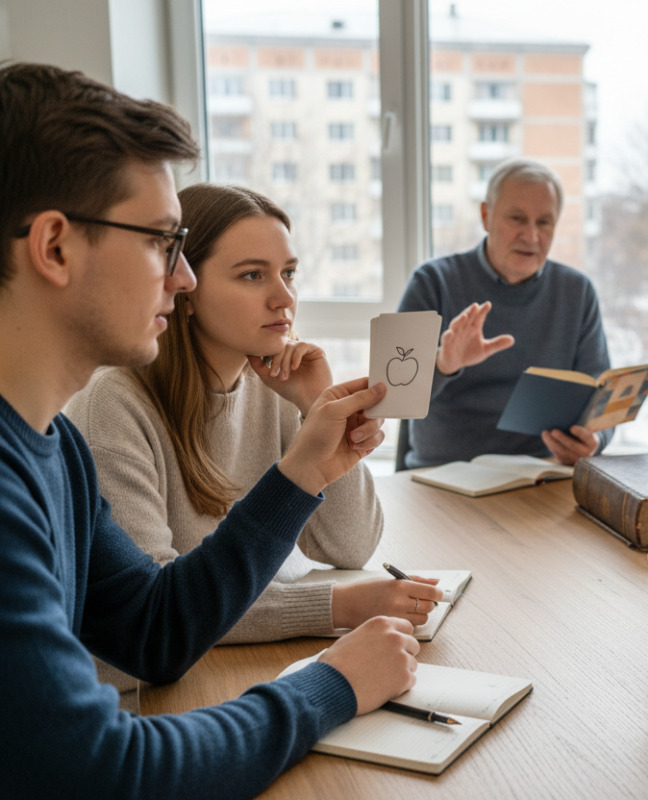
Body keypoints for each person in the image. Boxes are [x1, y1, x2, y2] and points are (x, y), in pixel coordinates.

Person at [0, 62, 421, 797]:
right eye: (163, 242)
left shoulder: (53, 449)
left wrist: (302, 476)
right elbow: (102, 769)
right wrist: (329, 688)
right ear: (55, 247)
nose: (184, 278)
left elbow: (155, 629)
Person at [65, 183, 441, 653]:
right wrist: (338, 606)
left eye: (288, 273)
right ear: (185, 288)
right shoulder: (112, 406)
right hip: (180, 681)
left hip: (267, 651)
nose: (283, 298)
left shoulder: (278, 387)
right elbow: (158, 611)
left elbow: (350, 546)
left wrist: (315, 405)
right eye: (251, 276)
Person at [397, 157, 612, 468]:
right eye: (517, 218)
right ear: (486, 216)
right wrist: (445, 364)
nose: (531, 236)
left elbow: (601, 395)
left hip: (540, 473)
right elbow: (392, 397)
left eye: (544, 222)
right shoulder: (432, 282)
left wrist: (595, 442)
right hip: (444, 474)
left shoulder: (577, 292)